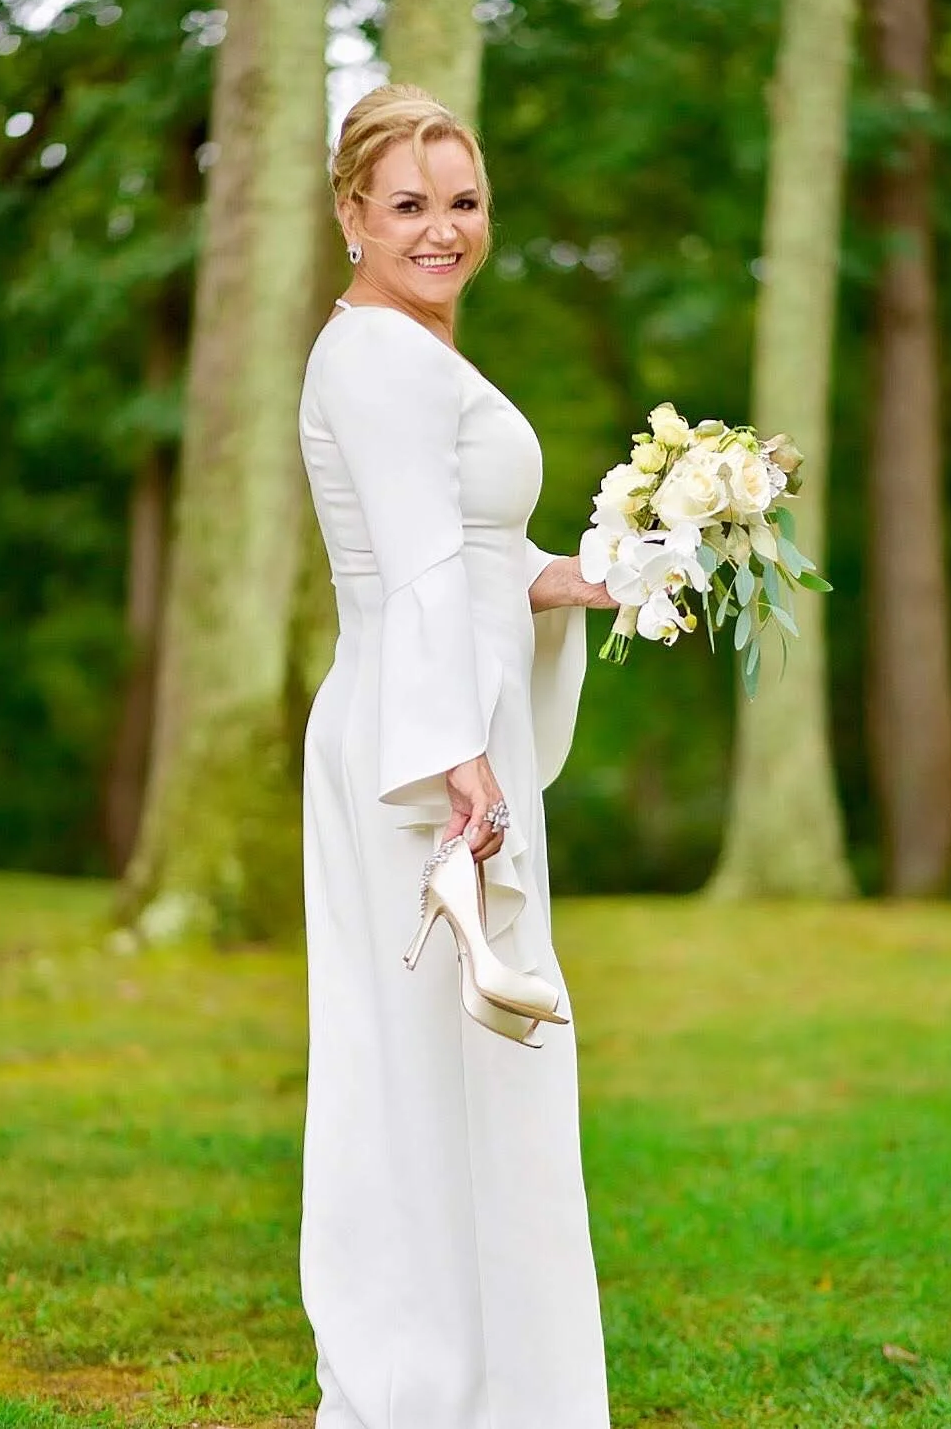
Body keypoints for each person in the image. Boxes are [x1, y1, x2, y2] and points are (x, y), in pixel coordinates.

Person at [297, 83, 616, 1429]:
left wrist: (597, 575)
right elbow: (418, 569)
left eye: (465, 200)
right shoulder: (374, 355)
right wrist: (460, 766)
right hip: (417, 749)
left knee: (487, 1059)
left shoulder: (425, 356)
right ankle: (422, 1388)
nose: (444, 229)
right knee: (423, 1069)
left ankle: (508, 1386)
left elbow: (474, 556)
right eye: (412, 203)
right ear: (351, 215)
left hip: (449, 722)